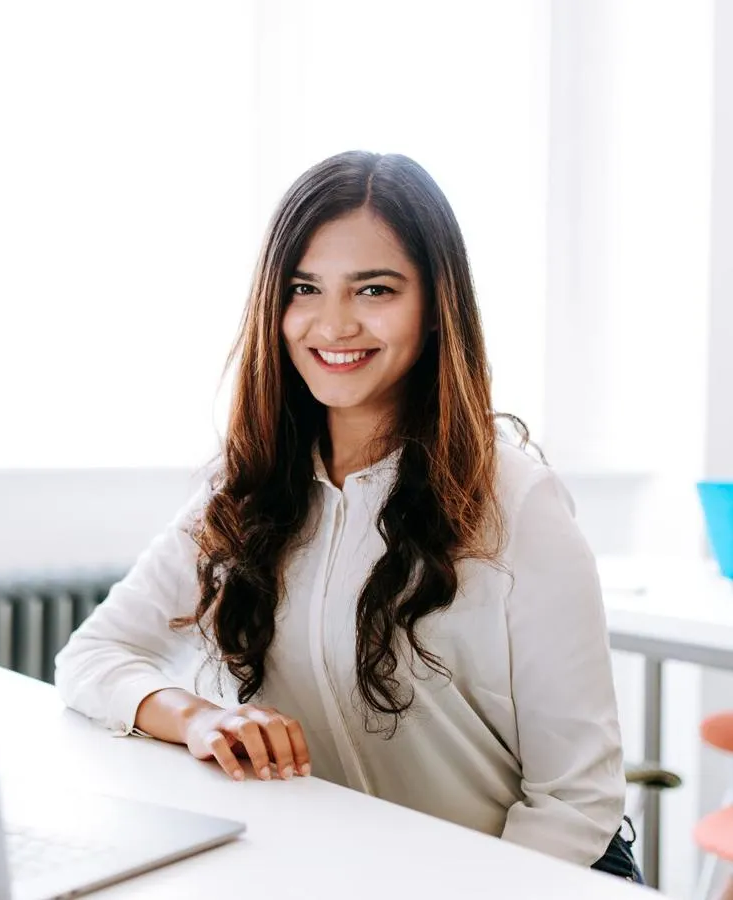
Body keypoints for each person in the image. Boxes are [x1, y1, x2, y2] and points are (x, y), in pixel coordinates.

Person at [55, 151, 641, 882]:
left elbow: (575, 801)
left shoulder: (518, 501)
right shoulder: (243, 487)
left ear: (434, 307)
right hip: (342, 874)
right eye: (305, 288)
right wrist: (198, 717)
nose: (333, 324)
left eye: (374, 289)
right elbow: (90, 658)